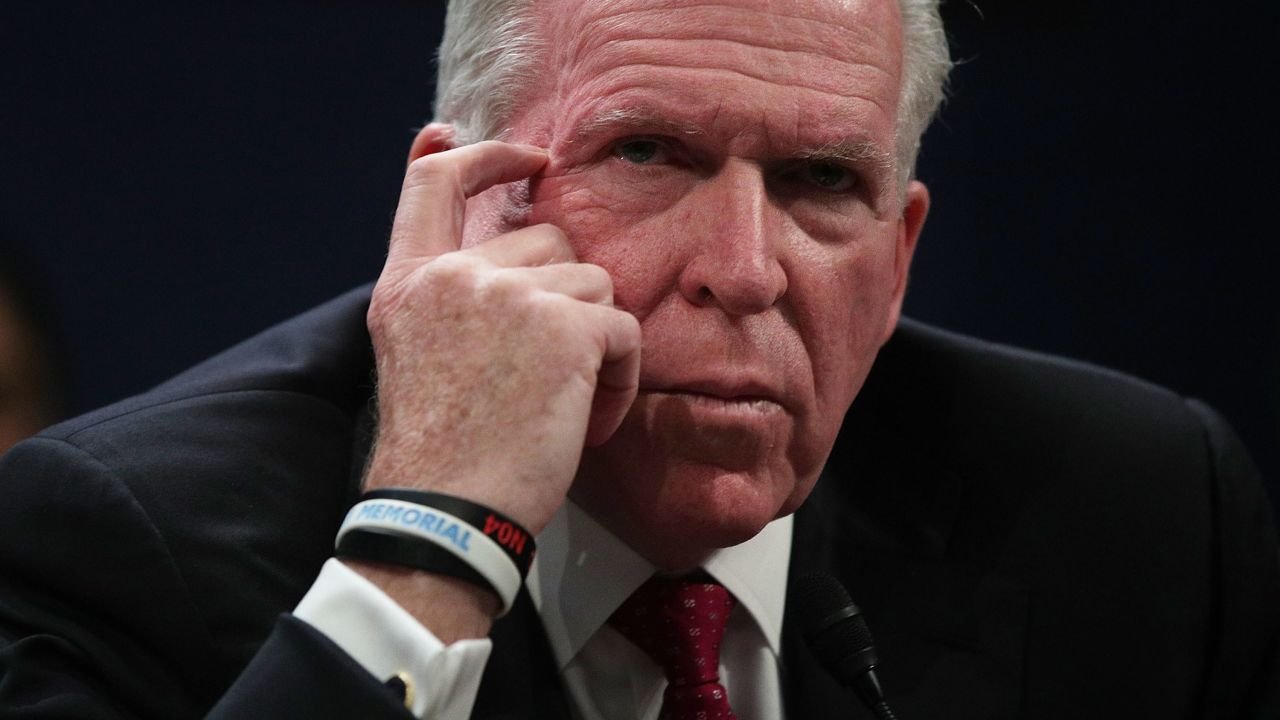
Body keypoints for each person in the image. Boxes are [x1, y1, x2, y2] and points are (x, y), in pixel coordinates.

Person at [0, 0, 1276, 718]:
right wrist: (432, 538)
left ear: (895, 259)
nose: (744, 267)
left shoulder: (1138, 517)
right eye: (649, 154)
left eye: (821, 179)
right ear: (457, 216)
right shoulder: (126, 543)